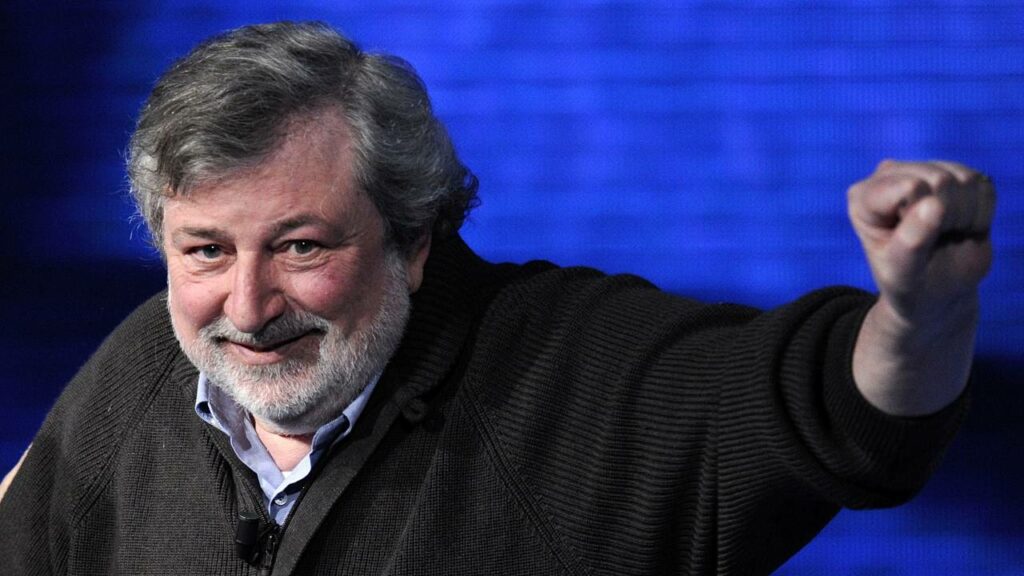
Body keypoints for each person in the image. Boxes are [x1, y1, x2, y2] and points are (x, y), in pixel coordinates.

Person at [0, 21, 994, 575]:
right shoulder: (147, 366)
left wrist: (920, 316)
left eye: (301, 247)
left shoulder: (577, 370)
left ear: (414, 240)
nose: (249, 308)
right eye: (205, 252)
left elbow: (834, 416)